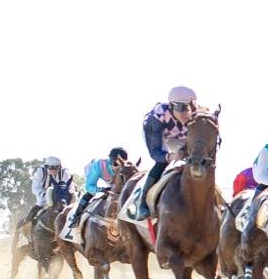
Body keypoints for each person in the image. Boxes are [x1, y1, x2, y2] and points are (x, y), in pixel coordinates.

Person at [136, 86, 197, 219]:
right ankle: (143, 204)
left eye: (189, 108)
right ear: (171, 106)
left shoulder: (196, 114)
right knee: (161, 163)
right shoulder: (156, 118)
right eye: (180, 108)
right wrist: (170, 156)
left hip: (181, 137)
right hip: (159, 136)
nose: (186, 113)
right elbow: (155, 153)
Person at [69, 147, 128, 228]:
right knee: (90, 193)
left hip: (109, 180)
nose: (118, 168)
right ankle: (75, 217)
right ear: (111, 161)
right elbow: (89, 187)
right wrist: (101, 189)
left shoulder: (125, 168)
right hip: (93, 172)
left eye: (122, 165)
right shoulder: (98, 166)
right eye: (116, 164)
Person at [21, 156, 74, 227]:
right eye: (51, 168)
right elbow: (35, 188)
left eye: (56, 168)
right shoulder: (41, 172)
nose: (54, 170)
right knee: (40, 203)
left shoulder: (64, 172)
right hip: (44, 195)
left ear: (60, 167)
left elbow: (69, 187)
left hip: (60, 196)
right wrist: (42, 194)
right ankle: (27, 223)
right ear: (46, 167)